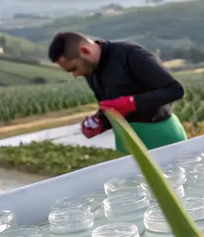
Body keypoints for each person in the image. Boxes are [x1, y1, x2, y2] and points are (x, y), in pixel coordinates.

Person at [48, 32, 187, 152]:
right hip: (127, 143)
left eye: (73, 68)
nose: (75, 75)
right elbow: (112, 107)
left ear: (85, 51)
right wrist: (100, 122)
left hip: (161, 137)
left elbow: (175, 90)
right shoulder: (90, 69)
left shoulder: (131, 55)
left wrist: (132, 103)